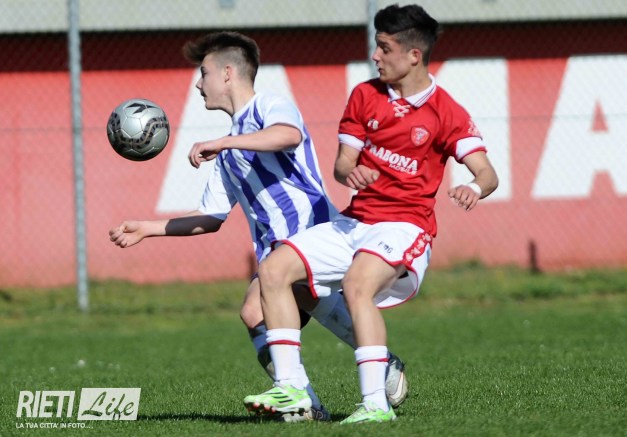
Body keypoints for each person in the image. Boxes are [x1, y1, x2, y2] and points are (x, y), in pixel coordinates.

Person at [108, 31, 408, 422]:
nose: (198, 84)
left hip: (314, 231)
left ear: (227, 73)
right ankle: (309, 402)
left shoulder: (269, 105)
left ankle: (345, 378)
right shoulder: (228, 150)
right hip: (275, 248)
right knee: (257, 313)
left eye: (204, 73)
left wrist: (225, 142)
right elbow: (211, 218)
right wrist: (147, 228)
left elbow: (288, 135)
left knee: (282, 298)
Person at [243, 4, 499, 424]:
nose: (375, 56)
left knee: (357, 285)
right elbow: (342, 164)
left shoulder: (447, 112)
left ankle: (376, 405)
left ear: (414, 55)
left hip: (404, 227)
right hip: (355, 223)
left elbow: (488, 174)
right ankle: (291, 388)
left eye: (384, 47)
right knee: (273, 270)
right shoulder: (365, 95)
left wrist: (473, 187)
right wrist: (352, 171)